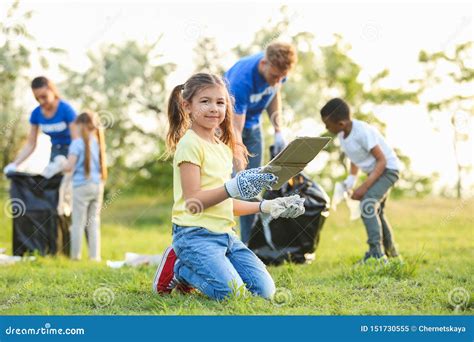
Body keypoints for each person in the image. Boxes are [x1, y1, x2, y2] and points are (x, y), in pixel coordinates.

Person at [152, 73, 305, 300]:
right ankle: (180, 268)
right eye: (205, 101)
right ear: (187, 106)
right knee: (234, 295)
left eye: (220, 102)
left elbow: (225, 202)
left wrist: (268, 205)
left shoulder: (222, 148)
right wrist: (233, 187)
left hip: (226, 235)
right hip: (194, 235)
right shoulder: (189, 145)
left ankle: (198, 268)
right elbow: (194, 203)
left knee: (264, 293)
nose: (214, 108)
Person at [224, 42, 297, 244]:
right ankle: (223, 239)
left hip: (253, 127)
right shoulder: (242, 79)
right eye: (274, 77)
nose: (277, 81)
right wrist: (240, 170)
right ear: (264, 63)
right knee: (233, 186)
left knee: (252, 189)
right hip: (226, 127)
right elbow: (235, 130)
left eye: (281, 78)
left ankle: (249, 245)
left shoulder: (278, 72)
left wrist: (278, 130)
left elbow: (275, 93)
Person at [320, 98, 401, 263]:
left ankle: (376, 254)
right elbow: (355, 158)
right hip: (378, 171)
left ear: (341, 123)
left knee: (367, 205)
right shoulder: (343, 136)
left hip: (389, 170)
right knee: (376, 211)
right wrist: (351, 181)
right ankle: (392, 254)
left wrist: (363, 188)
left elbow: (382, 161)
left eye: (328, 124)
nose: (326, 128)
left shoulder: (362, 132)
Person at [3, 76, 77, 174]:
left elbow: (77, 140)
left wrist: (70, 163)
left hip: (72, 151)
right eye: (37, 98)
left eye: (44, 96)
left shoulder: (66, 110)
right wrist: (15, 164)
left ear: (52, 91)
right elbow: (30, 144)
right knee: (51, 185)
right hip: (55, 153)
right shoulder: (36, 114)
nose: (41, 101)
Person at [62, 111, 107, 261]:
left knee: (78, 224)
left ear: (81, 125)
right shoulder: (98, 142)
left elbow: (69, 167)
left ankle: (75, 256)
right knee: (93, 223)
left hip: (81, 186)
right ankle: (95, 257)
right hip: (97, 186)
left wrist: (60, 164)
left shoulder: (77, 143)